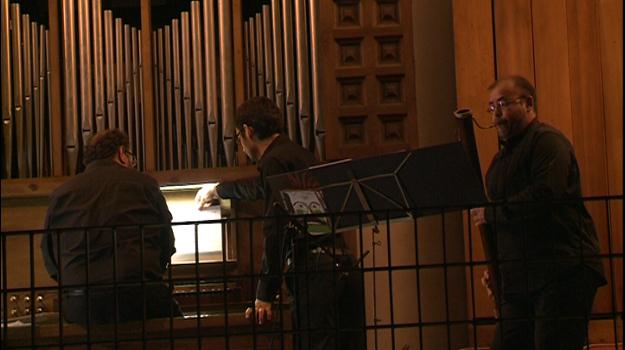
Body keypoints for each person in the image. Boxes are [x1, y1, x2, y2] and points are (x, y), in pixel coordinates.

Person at [195, 96, 364, 350]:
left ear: (248, 131)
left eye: (239, 136)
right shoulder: (297, 154)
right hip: (340, 263)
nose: (239, 145)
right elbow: (261, 188)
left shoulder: (273, 161)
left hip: (314, 272)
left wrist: (265, 292)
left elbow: (275, 227)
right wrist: (220, 191)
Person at [470, 76, 606, 349]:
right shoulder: (499, 162)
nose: (496, 114)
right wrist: (497, 264)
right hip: (523, 278)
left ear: (528, 103)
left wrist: (491, 214)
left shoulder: (548, 142)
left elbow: (543, 197)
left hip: (562, 271)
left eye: (502, 104)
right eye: (491, 107)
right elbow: (505, 222)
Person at [41, 129, 181, 325]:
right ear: (122, 154)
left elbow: (49, 255)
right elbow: (167, 242)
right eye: (131, 157)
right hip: (139, 298)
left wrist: (76, 282)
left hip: (83, 306)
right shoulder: (145, 184)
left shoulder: (61, 193)